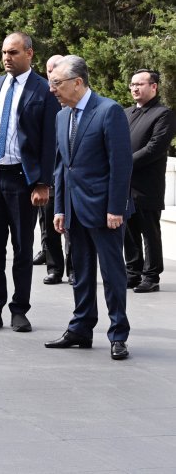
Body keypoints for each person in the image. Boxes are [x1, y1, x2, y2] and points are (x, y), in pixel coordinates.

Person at [0, 32, 59, 333]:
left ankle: (19, 309)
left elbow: (49, 143)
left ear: (29, 54)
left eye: (13, 52)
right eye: (4, 52)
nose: (6, 58)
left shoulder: (44, 90)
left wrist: (43, 183)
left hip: (22, 180)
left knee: (21, 248)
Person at [46, 55, 133, 360]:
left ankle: (118, 334)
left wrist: (115, 208)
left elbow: (120, 165)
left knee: (112, 274)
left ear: (77, 83)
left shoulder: (108, 111)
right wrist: (59, 209)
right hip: (73, 210)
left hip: (105, 211)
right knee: (80, 274)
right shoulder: (61, 117)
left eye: (57, 83)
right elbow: (61, 168)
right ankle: (81, 329)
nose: (52, 89)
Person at [125, 69, 175, 293]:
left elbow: (154, 148)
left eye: (140, 84)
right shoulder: (125, 113)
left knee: (149, 231)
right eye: (133, 84)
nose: (135, 88)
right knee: (128, 229)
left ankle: (151, 276)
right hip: (124, 184)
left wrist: (123, 163)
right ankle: (132, 272)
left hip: (147, 185)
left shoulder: (163, 114)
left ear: (153, 87)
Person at [34, 55, 73, 285]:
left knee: (71, 228)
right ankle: (54, 268)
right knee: (48, 224)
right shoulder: (43, 97)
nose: (51, 73)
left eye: (56, 69)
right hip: (49, 175)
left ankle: (74, 270)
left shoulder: (74, 99)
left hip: (70, 174)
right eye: (49, 69)